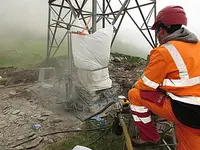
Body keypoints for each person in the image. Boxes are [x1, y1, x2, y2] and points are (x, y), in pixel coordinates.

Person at [128, 5, 200, 150]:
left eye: (156, 32)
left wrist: (138, 85)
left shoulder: (164, 51)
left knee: (134, 94)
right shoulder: (197, 45)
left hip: (187, 111)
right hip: (194, 116)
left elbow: (145, 86)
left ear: (161, 30)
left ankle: (149, 136)